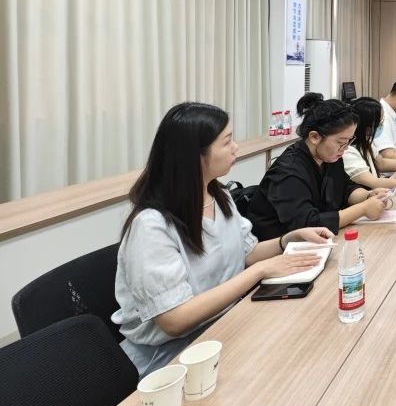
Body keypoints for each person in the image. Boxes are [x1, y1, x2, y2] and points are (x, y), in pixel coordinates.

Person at [113, 102, 333, 376]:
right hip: (172, 357)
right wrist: (259, 272)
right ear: (195, 155)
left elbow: (246, 253)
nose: (236, 148)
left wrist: (287, 240)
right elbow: (175, 320)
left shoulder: (219, 195)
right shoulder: (151, 225)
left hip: (227, 326)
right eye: (227, 141)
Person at [247, 93, 391, 241]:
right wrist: (363, 209)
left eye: (349, 141)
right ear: (315, 137)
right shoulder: (288, 171)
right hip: (278, 245)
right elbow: (308, 224)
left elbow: (346, 189)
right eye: (341, 142)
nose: (345, 148)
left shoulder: (330, 157)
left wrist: (368, 196)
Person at [343, 97, 396, 192]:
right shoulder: (348, 152)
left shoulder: (366, 141)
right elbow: (375, 183)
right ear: (368, 128)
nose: (382, 125)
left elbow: (381, 163)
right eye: (380, 123)